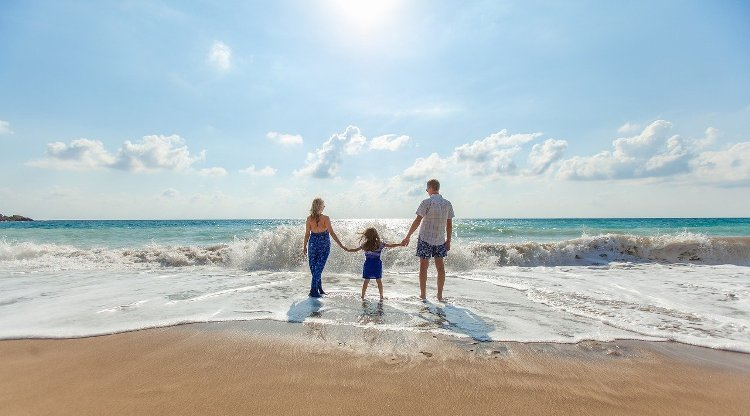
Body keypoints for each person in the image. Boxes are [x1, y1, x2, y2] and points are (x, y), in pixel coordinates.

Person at [401, 179, 454, 301]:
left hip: (425, 238)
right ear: (438, 188)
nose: (427, 191)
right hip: (440, 239)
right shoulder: (447, 203)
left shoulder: (426, 202)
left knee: (423, 267)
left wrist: (408, 236)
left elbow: (418, 220)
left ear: (430, 188)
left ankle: (423, 295)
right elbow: (449, 224)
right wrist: (449, 240)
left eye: (427, 189)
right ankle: (439, 295)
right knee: (440, 268)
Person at [303, 198, 346, 297]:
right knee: (316, 269)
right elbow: (331, 233)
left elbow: (307, 234)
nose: (324, 207)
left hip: (314, 243)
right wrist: (341, 245)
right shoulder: (323, 218)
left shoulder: (311, 218)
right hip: (322, 243)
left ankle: (316, 290)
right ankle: (315, 290)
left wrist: (305, 246)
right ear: (320, 206)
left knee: (316, 268)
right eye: (323, 205)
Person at [345, 227, 403, 300]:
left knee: (366, 281)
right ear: (376, 235)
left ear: (366, 236)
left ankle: (362, 296)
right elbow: (391, 245)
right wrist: (400, 244)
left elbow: (355, 250)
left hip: (368, 264)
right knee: (379, 281)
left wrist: (346, 249)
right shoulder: (380, 244)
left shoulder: (365, 245)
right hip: (377, 264)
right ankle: (381, 296)